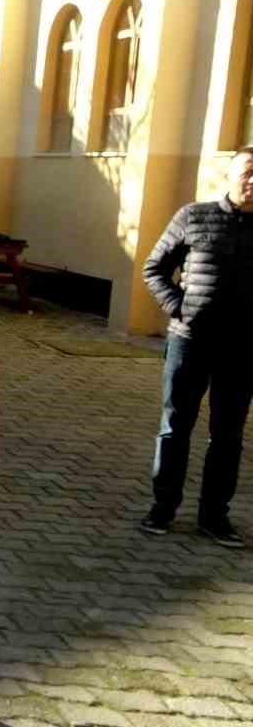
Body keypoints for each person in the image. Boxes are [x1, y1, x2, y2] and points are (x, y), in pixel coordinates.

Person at [139, 146, 253, 548]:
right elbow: (153, 267)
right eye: (248, 172)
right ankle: (163, 508)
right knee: (175, 427)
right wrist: (179, 308)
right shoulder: (193, 216)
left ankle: (214, 517)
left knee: (228, 435)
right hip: (190, 342)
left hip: (242, 351)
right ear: (231, 175)